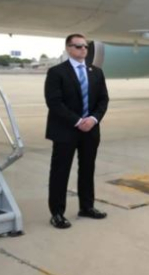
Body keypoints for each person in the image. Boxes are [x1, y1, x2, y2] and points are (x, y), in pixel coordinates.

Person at [44, 34, 109, 229]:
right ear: (68, 48)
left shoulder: (96, 72)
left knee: (88, 170)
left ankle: (87, 207)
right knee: (60, 172)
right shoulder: (56, 72)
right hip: (65, 130)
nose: (83, 50)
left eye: (85, 46)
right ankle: (57, 213)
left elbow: (103, 100)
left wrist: (93, 119)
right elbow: (54, 102)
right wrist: (78, 121)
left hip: (90, 130)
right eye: (78, 46)